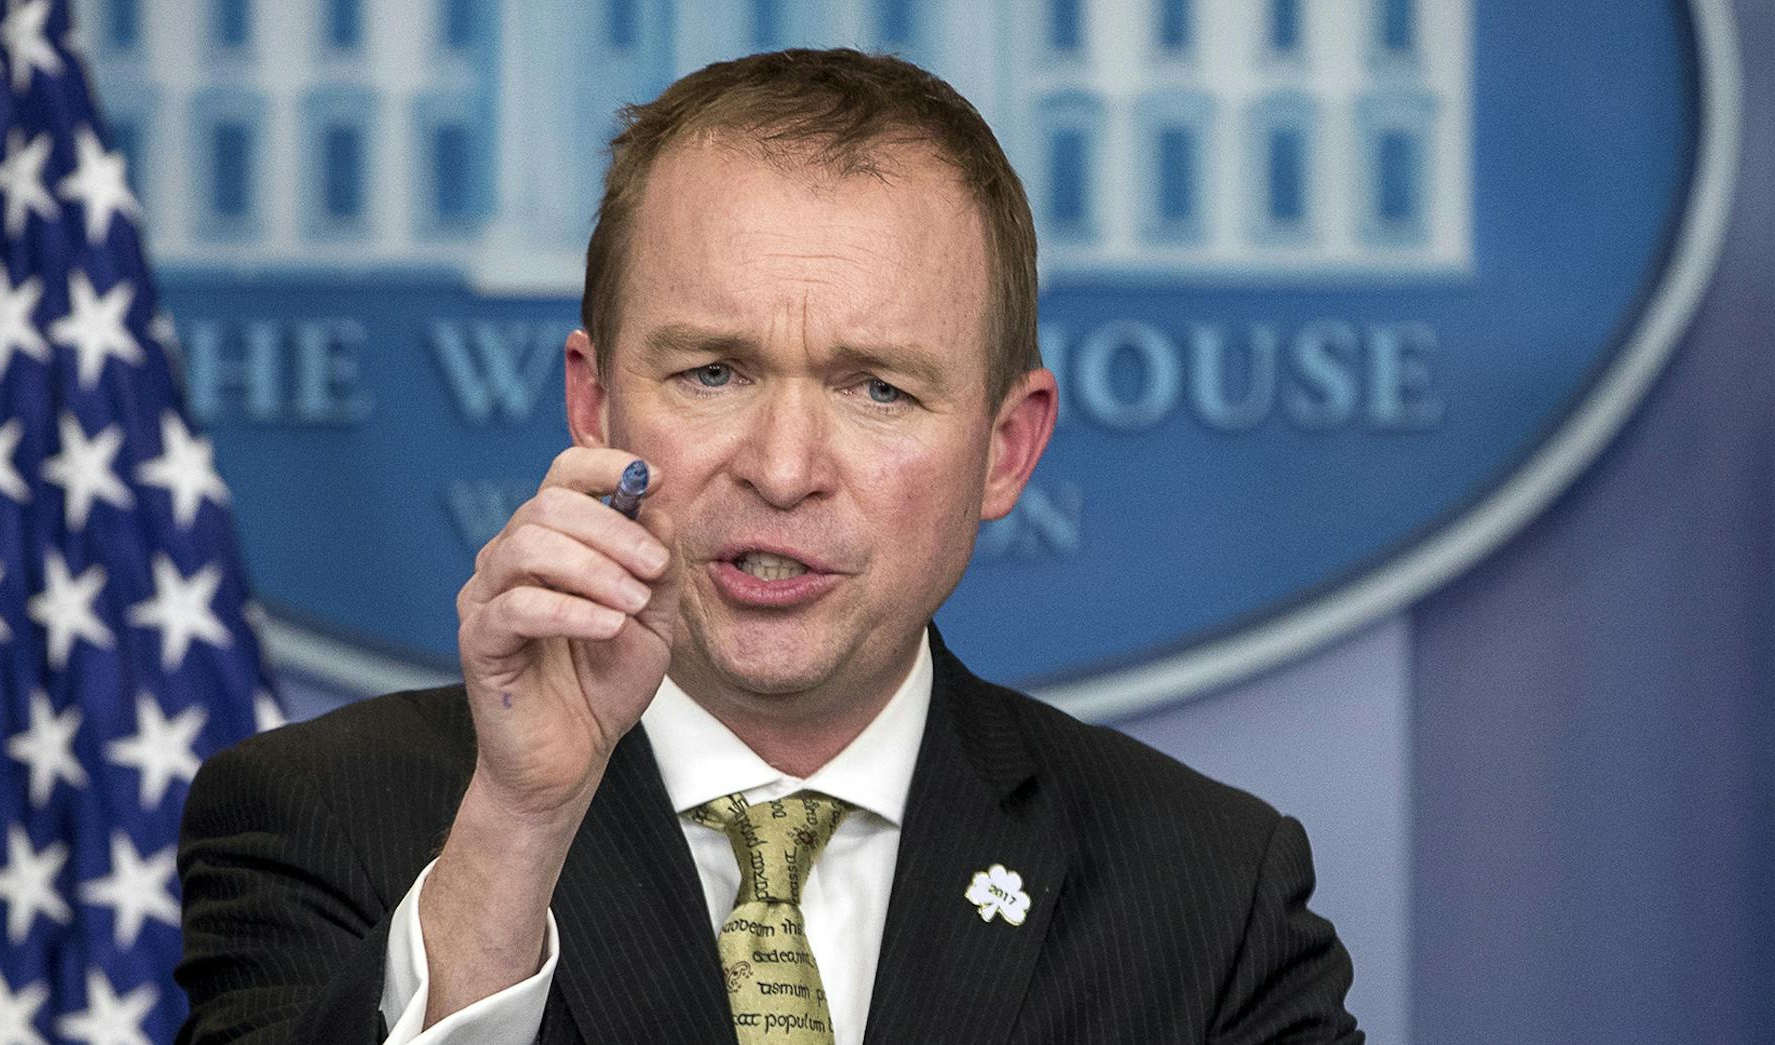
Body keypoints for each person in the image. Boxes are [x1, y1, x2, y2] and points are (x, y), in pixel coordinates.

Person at [175, 49, 1361, 1045]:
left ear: (1007, 449)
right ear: (593, 404)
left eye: (879, 388)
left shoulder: (1210, 893)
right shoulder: (319, 820)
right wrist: (517, 828)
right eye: (713, 372)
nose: (784, 469)